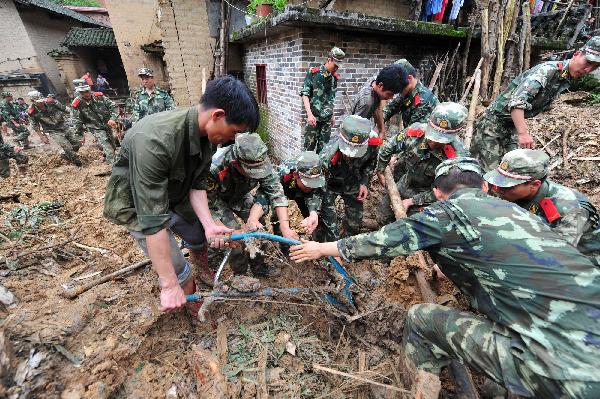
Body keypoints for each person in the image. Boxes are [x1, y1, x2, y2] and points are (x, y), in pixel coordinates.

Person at [290, 157, 600, 399]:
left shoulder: (447, 213)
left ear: (437, 193)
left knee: (421, 319)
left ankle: (419, 387)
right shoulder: (524, 215)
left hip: (568, 371)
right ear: (484, 187)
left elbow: (382, 241)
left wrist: (321, 248)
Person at [103, 76, 260, 315]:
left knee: (197, 236)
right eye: (234, 132)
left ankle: (201, 266)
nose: (233, 139)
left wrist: (209, 225)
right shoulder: (155, 141)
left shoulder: (206, 135)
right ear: (217, 115)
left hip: (176, 192)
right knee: (178, 269)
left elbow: (197, 184)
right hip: (138, 205)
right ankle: (190, 299)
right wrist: (168, 282)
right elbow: (153, 219)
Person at [471, 36, 600, 171]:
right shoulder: (548, 71)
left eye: (594, 67)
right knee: (487, 175)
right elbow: (517, 102)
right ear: (577, 54)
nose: (587, 69)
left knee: (511, 172)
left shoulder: (564, 77)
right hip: (492, 125)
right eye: (588, 62)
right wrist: (523, 133)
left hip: (510, 127)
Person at [484, 149, 600, 265]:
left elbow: (558, 254)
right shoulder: (517, 193)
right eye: (499, 182)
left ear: (534, 185)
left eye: (507, 186)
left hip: (585, 260)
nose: (498, 189)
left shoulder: (569, 209)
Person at [205, 133, 298, 277]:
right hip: (215, 200)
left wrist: (285, 228)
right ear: (237, 163)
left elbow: (275, 193)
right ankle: (241, 275)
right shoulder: (214, 165)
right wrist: (221, 229)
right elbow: (207, 204)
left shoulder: (261, 160)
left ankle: (259, 267)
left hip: (240, 195)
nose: (257, 174)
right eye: (252, 171)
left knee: (258, 228)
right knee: (234, 238)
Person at [375, 102, 470, 224]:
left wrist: (411, 201)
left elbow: (446, 192)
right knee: (382, 217)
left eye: (440, 140)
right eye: (432, 135)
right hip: (406, 182)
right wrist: (380, 169)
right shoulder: (415, 131)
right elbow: (389, 146)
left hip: (428, 196)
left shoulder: (457, 158)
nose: (433, 142)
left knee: (413, 228)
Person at [319, 115, 379, 241]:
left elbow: (370, 163)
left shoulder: (372, 144)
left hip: (353, 181)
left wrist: (364, 182)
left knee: (355, 220)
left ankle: (346, 243)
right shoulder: (327, 155)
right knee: (328, 221)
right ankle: (324, 247)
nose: (350, 156)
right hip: (330, 184)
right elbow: (320, 184)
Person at [269, 150, 326, 252]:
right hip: (283, 192)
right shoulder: (282, 172)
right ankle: (285, 247)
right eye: (307, 183)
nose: (311, 187)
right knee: (278, 219)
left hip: (304, 194)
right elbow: (273, 195)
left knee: (315, 219)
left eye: (313, 183)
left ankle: (318, 248)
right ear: (296, 175)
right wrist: (285, 226)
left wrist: (313, 213)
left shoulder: (318, 171)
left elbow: (316, 192)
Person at [300, 46, 345, 153]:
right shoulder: (314, 73)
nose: (337, 68)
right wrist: (309, 114)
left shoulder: (334, 78)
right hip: (314, 119)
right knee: (308, 150)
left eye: (338, 66)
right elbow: (305, 94)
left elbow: (331, 99)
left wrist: (332, 115)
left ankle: (319, 170)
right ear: (329, 60)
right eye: (335, 65)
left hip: (327, 121)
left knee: (323, 151)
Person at [350, 64, 410, 138]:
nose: (391, 97)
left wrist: (381, 130)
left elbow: (378, 108)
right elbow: (354, 130)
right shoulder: (367, 103)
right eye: (389, 94)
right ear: (381, 85)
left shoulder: (374, 83)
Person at [70, 79, 119, 164]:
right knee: (106, 144)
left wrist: (113, 118)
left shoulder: (99, 96)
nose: (85, 94)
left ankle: (108, 158)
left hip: (107, 124)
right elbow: (76, 121)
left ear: (90, 89)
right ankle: (114, 167)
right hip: (95, 127)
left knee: (112, 145)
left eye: (87, 91)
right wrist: (80, 136)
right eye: (82, 92)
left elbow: (114, 106)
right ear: (79, 93)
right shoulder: (77, 104)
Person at [27, 91, 82, 166]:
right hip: (53, 130)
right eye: (39, 102)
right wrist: (42, 137)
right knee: (66, 146)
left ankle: (64, 153)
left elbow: (65, 109)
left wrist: (77, 116)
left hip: (63, 125)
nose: (42, 103)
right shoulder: (32, 111)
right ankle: (77, 163)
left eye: (42, 100)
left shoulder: (51, 102)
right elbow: (35, 126)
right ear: (32, 101)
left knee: (77, 143)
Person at [382, 59, 439, 128]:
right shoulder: (407, 92)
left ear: (409, 79)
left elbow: (412, 133)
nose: (397, 90)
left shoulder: (424, 101)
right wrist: (379, 121)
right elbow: (390, 108)